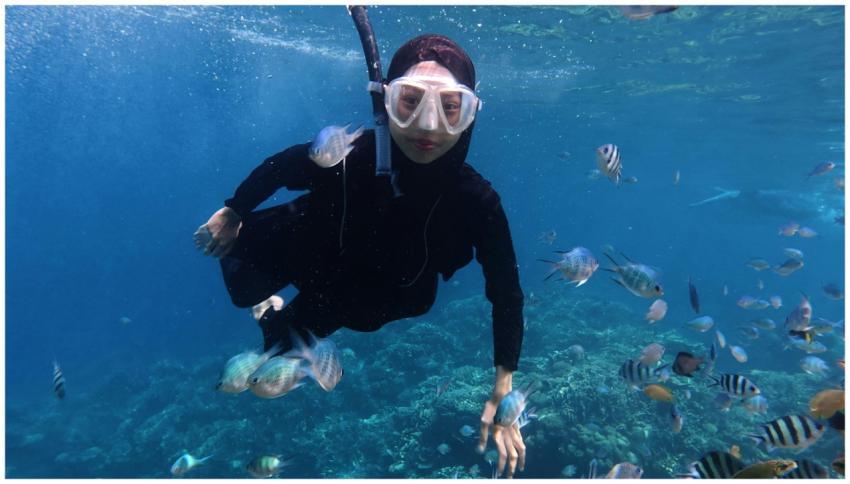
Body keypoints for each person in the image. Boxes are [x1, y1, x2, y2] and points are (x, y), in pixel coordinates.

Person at [194, 34, 526, 478]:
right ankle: (262, 295)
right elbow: (284, 165)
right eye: (410, 102)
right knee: (241, 286)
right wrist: (234, 210)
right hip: (314, 249)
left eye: (450, 107)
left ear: (470, 115)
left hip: (370, 294)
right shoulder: (352, 155)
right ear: (386, 101)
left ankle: (273, 314)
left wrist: (502, 386)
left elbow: (506, 293)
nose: (428, 126)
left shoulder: (476, 201)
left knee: (280, 348)